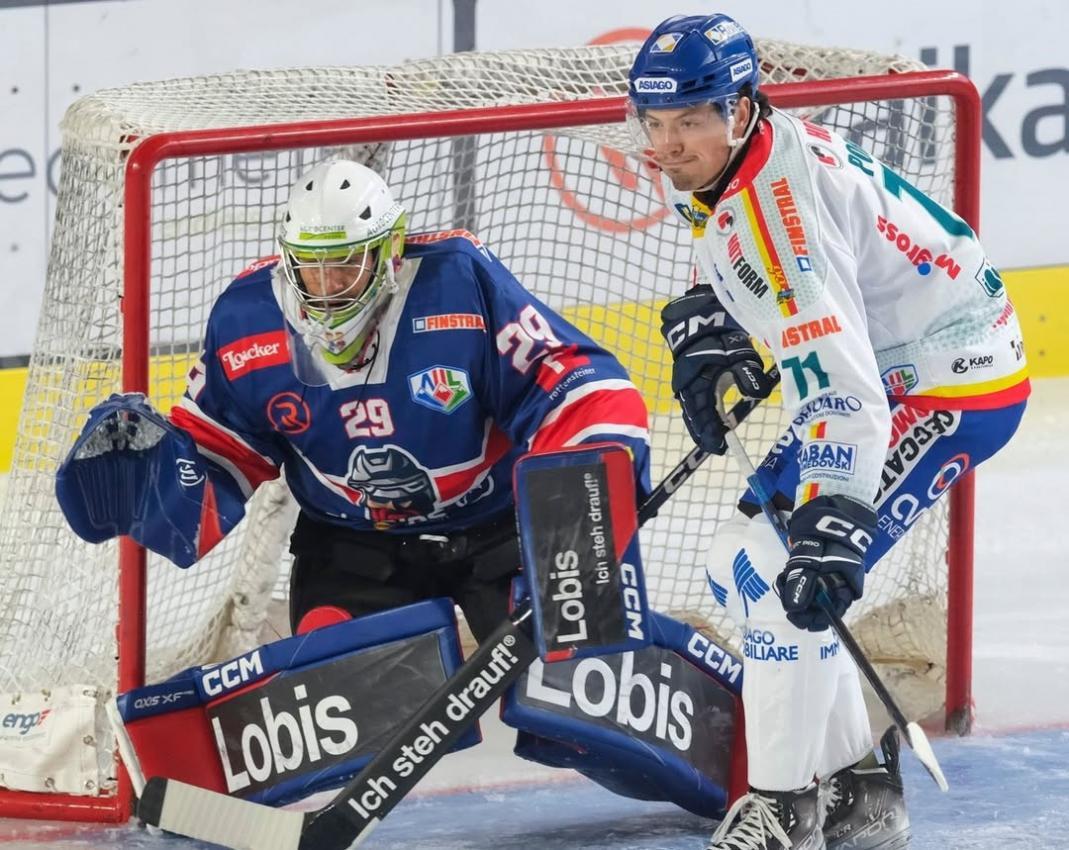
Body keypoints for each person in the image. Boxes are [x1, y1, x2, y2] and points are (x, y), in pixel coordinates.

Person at [628, 14, 1029, 850]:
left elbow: (841, 390)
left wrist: (833, 516)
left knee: (783, 575)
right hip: (886, 365)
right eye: (655, 123)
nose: (668, 143)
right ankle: (862, 785)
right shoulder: (727, 156)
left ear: (739, 109)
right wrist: (720, 320)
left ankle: (782, 810)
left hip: (949, 384)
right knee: (735, 566)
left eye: (690, 120)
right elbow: (762, 265)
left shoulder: (780, 214)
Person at [56, 158, 651, 647]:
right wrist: (158, 482)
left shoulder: (459, 282)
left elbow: (567, 378)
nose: (328, 287)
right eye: (310, 270)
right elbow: (218, 457)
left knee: (583, 678)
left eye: (345, 264)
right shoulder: (247, 321)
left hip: (495, 534)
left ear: (390, 250)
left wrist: (589, 476)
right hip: (355, 548)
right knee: (339, 698)